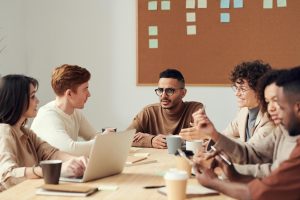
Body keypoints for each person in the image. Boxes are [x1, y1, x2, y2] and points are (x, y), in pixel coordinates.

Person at [194, 66, 300, 200]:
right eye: (268, 102)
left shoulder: (274, 123)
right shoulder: (283, 128)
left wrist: (214, 182)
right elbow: (253, 154)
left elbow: (266, 187)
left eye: (279, 103)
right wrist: (230, 169)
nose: (272, 108)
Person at [0, 75, 86, 191]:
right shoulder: (4, 131)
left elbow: (51, 154)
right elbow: (7, 175)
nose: (37, 101)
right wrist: (52, 170)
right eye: (32, 96)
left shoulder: (26, 132)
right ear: (17, 100)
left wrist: (79, 161)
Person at [181, 60, 274, 142]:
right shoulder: (243, 112)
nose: (237, 94)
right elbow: (225, 136)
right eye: (236, 88)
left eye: (242, 89)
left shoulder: (271, 117)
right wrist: (207, 134)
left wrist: (209, 135)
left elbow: (251, 149)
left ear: (259, 90)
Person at [31, 64, 108, 157]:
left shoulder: (75, 113)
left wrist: (107, 138)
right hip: (45, 171)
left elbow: (93, 135)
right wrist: (103, 141)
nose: (89, 94)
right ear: (69, 94)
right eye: (85, 89)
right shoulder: (48, 116)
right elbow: (70, 149)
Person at [127, 69, 203, 148]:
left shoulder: (195, 109)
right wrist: (151, 140)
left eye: (170, 91)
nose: (163, 96)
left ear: (183, 93)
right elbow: (125, 138)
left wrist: (164, 140)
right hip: (156, 159)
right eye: (160, 90)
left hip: (182, 159)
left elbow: (204, 138)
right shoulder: (148, 112)